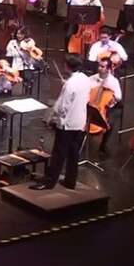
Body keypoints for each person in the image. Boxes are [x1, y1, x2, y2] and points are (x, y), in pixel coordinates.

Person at [30, 54, 93, 190]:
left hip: (67, 124)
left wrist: (52, 118)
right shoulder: (85, 79)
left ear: (68, 66)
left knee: (58, 154)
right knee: (73, 154)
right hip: (80, 122)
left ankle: (49, 182)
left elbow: (62, 107)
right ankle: (71, 181)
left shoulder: (70, 84)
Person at [87, 57, 123, 157]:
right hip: (92, 104)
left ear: (108, 69)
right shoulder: (92, 78)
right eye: (99, 65)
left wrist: (110, 101)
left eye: (102, 66)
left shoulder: (113, 81)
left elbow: (118, 96)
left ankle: (103, 145)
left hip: (107, 107)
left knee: (110, 122)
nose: (99, 68)